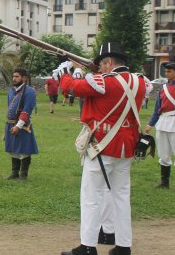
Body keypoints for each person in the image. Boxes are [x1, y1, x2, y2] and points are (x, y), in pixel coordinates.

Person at [60, 42, 149, 255]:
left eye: (101, 64)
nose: (99, 68)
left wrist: (74, 70)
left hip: (102, 145)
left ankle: (88, 246)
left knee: (91, 197)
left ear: (109, 62)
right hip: (126, 147)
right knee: (121, 196)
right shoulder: (140, 81)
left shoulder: (103, 81)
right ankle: (123, 246)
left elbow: (69, 87)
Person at [145, 61, 175, 192]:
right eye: (166, 71)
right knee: (163, 154)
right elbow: (157, 109)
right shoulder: (163, 88)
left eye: (170, 71)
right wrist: (150, 124)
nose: (167, 73)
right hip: (162, 122)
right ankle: (164, 182)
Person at [4, 68, 38, 180]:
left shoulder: (29, 91)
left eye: (17, 76)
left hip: (22, 125)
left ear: (24, 78)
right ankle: (14, 173)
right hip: (10, 123)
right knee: (13, 150)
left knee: (24, 150)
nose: (14, 78)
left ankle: (23, 174)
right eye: (13, 76)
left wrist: (18, 126)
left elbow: (26, 110)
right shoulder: (11, 91)